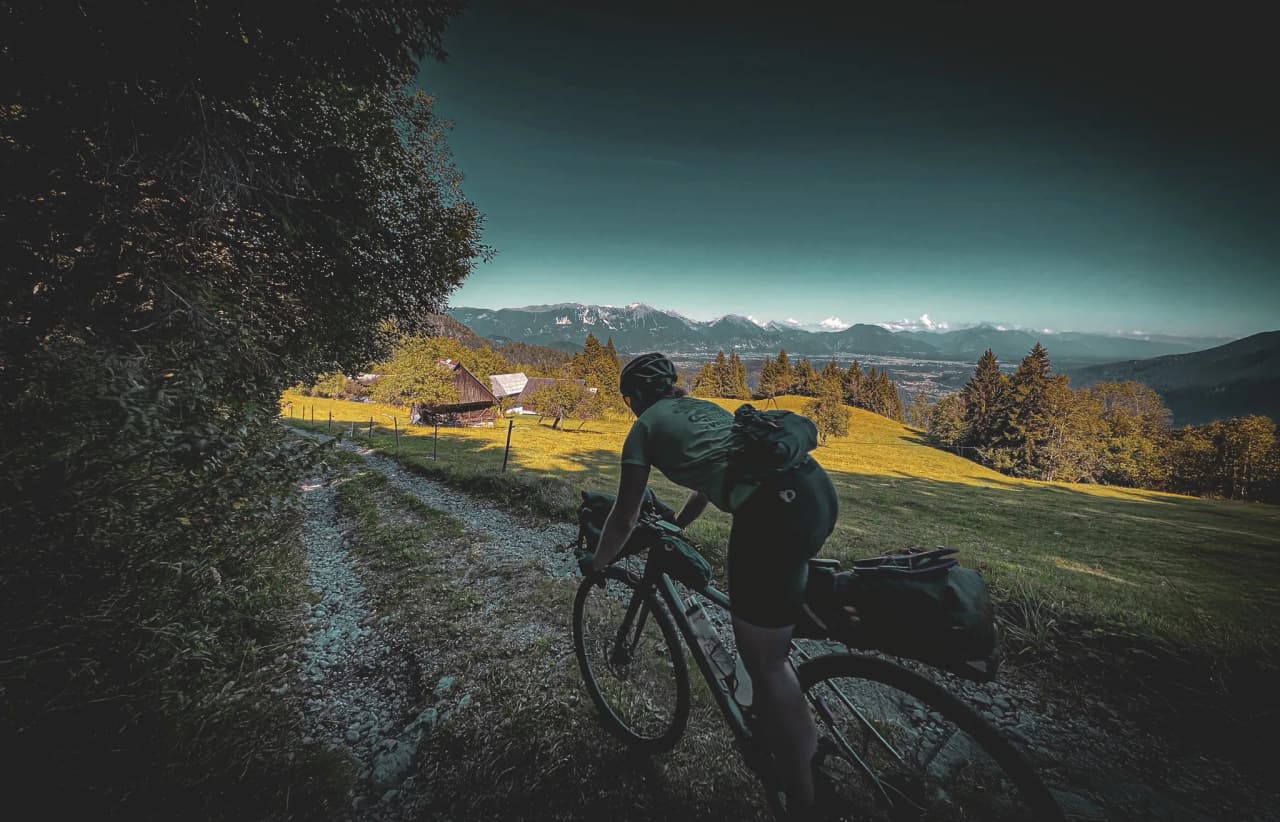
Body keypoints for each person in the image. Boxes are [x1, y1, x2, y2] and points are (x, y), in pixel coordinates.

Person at [583, 352, 839, 815]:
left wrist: (599, 562)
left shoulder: (643, 428)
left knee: (766, 663)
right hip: (814, 493)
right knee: (773, 615)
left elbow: (624, 515)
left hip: (771, 512)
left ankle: (802, 792)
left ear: (631, 399)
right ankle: (790, 714)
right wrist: (679, 523)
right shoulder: (702, 408)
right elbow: (714, 480)